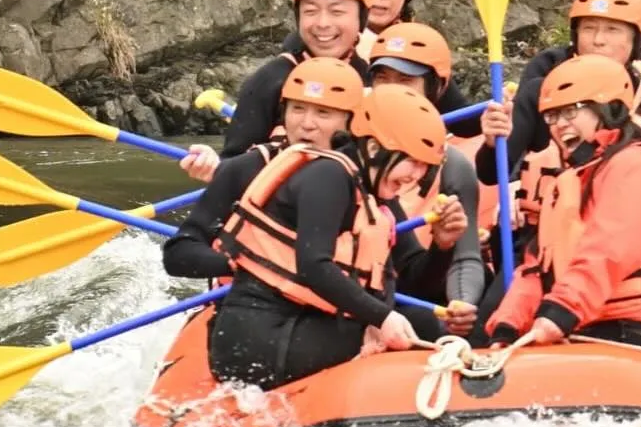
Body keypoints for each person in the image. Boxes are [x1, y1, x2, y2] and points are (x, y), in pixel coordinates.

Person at [168, 75, 447, 390]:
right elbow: (314, 265)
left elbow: (398, 275)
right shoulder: (329, 176)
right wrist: (382, 318)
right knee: (410, 325)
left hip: (288, 325)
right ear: (372, 147)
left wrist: (443, 247)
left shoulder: (360, 187)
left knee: (418, 322)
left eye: (424, 168)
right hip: (254, 343)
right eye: (411, 162)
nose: (415, 176)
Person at [487, 55, 641, 352]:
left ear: (609, 109)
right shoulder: (569, 182)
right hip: (590, 323)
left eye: (571, 111)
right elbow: (535, 269)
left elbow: (610, 248)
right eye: (552, 116)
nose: (559, 125)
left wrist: (560, 311)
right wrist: (507, 327)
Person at [477, 0, 641, 258]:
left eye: (613, 30)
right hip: (545, 235)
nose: (598, 40)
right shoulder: (539, 92)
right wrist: (494, 143)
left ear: (637, 41)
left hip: (632, 243)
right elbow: (491, 173)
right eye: (588, 29)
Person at [163, 57, 365, 281]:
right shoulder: (247, 168)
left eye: (323, 112)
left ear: (350, 122)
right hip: (252, 304)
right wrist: (245, 265)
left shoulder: (368, 176)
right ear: (283, 113)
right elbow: (178, 253)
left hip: (340, 305)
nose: (307, 123)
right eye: (297, 109)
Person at [177, 0, 372, 182]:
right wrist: (213, 167)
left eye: (337, 12)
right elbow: (232, 162)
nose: (322, 23)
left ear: (361, 18)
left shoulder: (373, 79)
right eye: (310, 11)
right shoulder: (270, 81)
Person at [368, 22, 486, 336]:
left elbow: (466, 257)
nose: (392, 91)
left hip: (414, 294)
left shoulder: (452, 166)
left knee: (453, 325)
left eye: (406, 80)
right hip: (359, 300)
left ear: (435, 89)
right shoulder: (346, 153)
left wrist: (461, 305)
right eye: (382, 79)